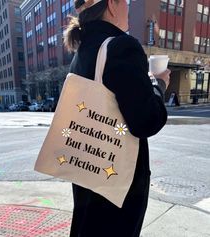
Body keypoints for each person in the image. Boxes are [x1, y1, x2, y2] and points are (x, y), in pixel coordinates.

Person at [64, 0, 171, 236]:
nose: (127, 7)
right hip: (117, 185)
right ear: (112, 4)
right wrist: (159, 85)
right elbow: (146, 120)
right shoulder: (122, 47)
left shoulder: (81, 52)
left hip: (87, 173)